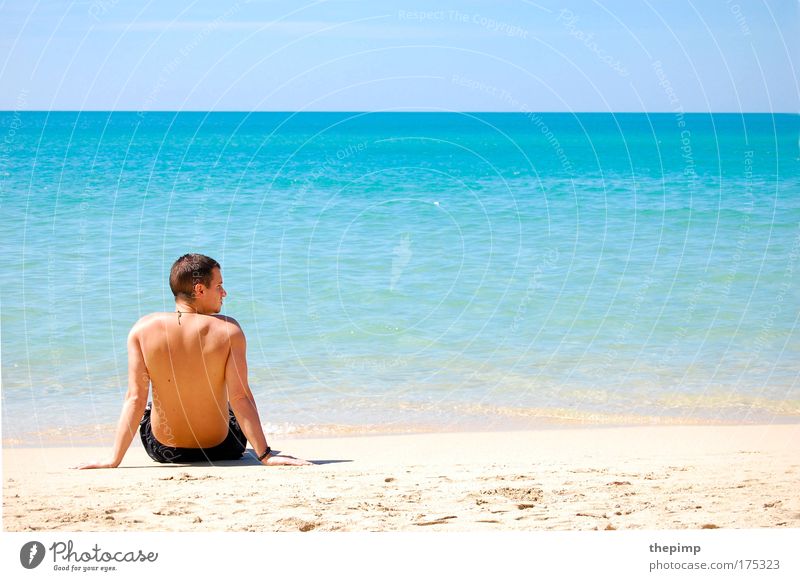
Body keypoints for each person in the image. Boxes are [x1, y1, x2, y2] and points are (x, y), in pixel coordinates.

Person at [77, 254, 311, 468]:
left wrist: (113, 460)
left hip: (164, 449)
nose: (224, 293)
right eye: (219, 286)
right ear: (199, 289)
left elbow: (135, 398)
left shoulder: (142, 329)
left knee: (149, 407)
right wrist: (266, 455)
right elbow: (239, 397)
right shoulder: (228, 330)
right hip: (222, 448)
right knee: (231, 406)